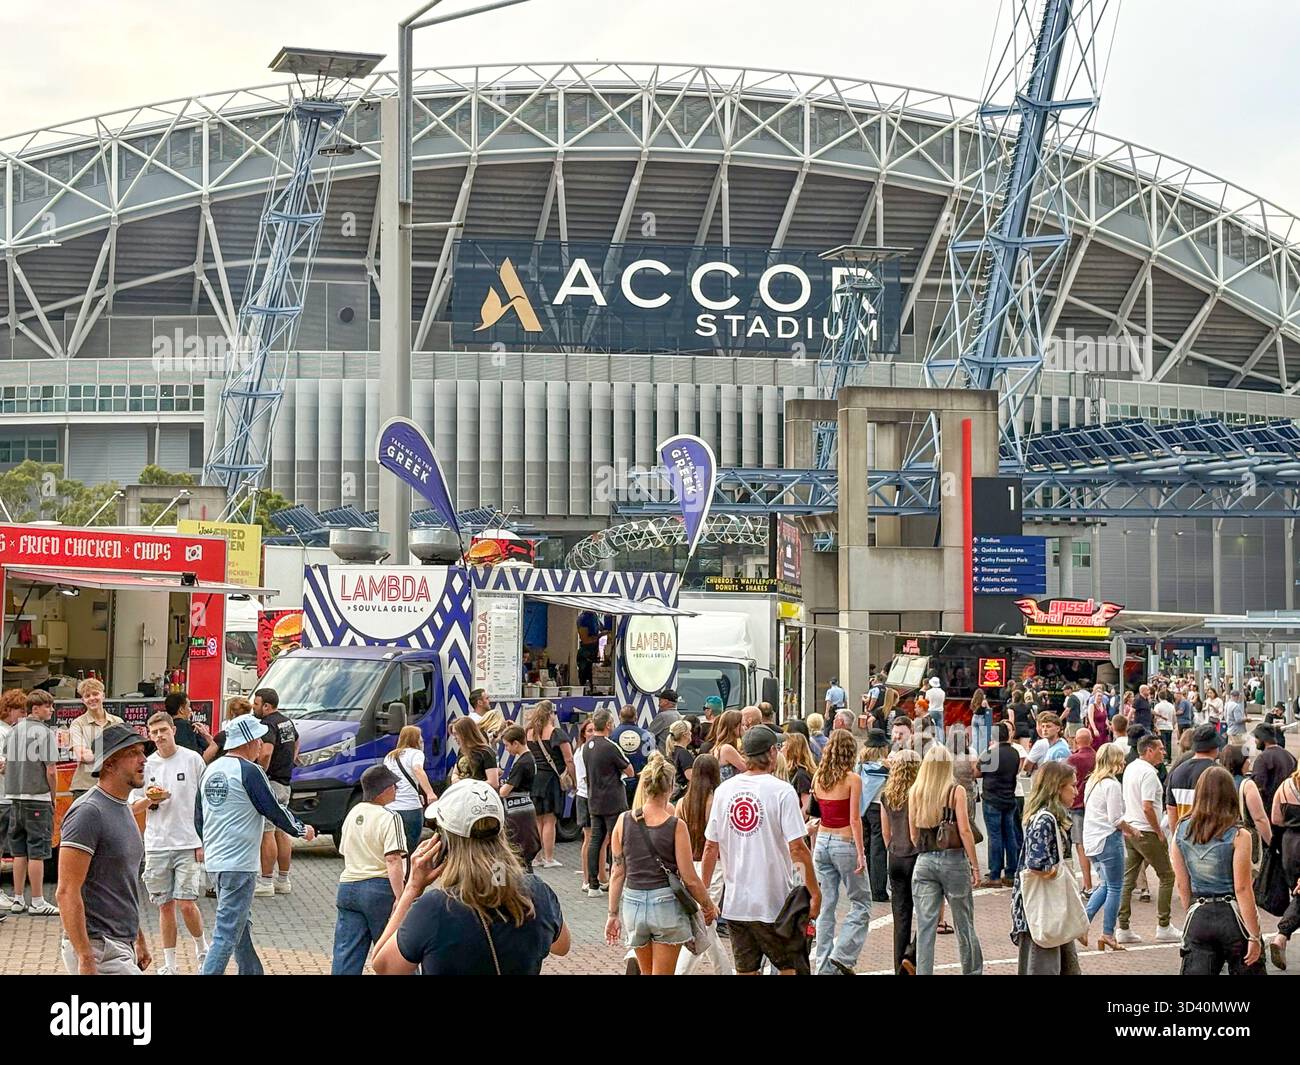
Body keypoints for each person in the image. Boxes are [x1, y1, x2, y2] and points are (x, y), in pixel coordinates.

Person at [371, 780, 571, 974]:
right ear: (501, 832)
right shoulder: (536, 892)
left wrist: (411, 889)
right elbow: (562, 946)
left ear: (445, 843)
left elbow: (383, 967)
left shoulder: (434, 908)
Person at [197, 713, 315, 974]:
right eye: (259, 739)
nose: (262, 744)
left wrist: (207, 845)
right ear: (249, 742)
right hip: (239, 863)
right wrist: (300, 828)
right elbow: (273, 808)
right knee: (227, 932)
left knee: (240, 923)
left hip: (216, 861)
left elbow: (199, 816)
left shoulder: (211, 770)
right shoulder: (250, 771)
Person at [701, 725, 821, 975]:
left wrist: (705, 895)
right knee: (791, 967)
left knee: (746, 970)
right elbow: (798, 848)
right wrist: (814, 891)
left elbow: (711, 846)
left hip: (736, 902)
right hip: (773, 901)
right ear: (771, 753)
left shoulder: (724, 791)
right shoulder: (782, 791)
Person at [605, 753, 716, 974]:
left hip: (633, 902)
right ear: (671, 787)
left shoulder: (623, 821)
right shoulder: (675, 826)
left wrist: (612, 914)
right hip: (665, 904)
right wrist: (708, 905)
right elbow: (689, 878)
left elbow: (618, 872)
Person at [55, 725, 151, 974]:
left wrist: (138, 938)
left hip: (121, 943)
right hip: (99, 947)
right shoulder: (89, 812)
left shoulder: (123, 807)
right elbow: (66, 891)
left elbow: (123, 884)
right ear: (109, 764)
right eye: (133, 753)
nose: (144, 759)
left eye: (143, 751)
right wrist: (85, 957)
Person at [128, 712, 208, 974]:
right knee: (164, 906)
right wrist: (151, 800)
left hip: (188, 841)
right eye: (154, 732)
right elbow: (134, 806)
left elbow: (204, 803)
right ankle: (170, 964)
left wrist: (203, 840)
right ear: (150, 736)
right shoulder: (147, 765)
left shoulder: (192, 759)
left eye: (163, 730)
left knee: (186, 903)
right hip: (156, 843)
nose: (160, 736)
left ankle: (202, 948)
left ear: (173, 730)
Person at [1172, 766, 1266, 974]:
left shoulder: (1181, 829)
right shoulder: (1239, 835)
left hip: (1199, 912)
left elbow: (1181, 882)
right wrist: (1254, 935)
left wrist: (1191, 910)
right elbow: (1242, 888)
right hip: (1231, 913)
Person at [909, 745, 983, 975]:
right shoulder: (955, 791)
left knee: (925, 926)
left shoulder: (916, 791)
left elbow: (913, 834)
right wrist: (975, 865)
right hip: (953, 860)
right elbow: (965, 831)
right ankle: (971, 971)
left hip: (924, 861)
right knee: (964, 923)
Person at [1009, 760, 1083, 975]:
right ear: (1057, 787)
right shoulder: (1045, 820)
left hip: (1050, 909)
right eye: (1072, 786)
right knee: (1044, 967)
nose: (1076, 791)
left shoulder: (1050, 817)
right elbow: (1036, 863)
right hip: (1043, 910)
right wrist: (1057, 874)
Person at [331, 765, 407, 974]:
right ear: (382, 790)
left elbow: (344, 850)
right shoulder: (390, 817)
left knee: (346, 953)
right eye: (393, 786)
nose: (396, 789)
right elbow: (392, 859)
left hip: (348, 886)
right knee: (395, 951)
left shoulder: (353, 812)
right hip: (378, 888)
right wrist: (401, 897)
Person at [809, 729, 868, 975]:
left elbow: (816, 814)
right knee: (861, 902)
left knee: (826, 907)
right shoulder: (852, 779)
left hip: (822, 841)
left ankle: (822, 966)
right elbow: (855, 819)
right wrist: (861, 852)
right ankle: (842, 954)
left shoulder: (818, 777)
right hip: (844, 841)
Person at [1116, 734, 1180, 944]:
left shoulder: (1131, 768)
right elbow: (1147, 806)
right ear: (1149, 750)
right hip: (1146, 831)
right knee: (1167, 876)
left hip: (1131, 828)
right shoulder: (1149, 774)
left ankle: (1122, 926)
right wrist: (1159, 831)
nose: (1163, 752)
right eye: (1160, 749)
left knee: (1129, 878)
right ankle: (1163, 924)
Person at [673, 755, 731, 975]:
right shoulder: (717, 801)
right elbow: (717, 841)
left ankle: (724, 970)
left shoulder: (682, 803)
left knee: (706, 925)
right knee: (703, 925)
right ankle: (681, 972)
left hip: (688, 866)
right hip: (713, 866)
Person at [5, 690, 59, 915]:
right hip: (37, 798)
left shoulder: (14, 731)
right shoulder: (44, 733)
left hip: (14, 797)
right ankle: (37, 900)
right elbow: (51, 770)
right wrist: (53, 797)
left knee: (19, 850)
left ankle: (18, 898)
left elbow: (7, 762)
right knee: (37, 850)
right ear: (35, 709)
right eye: (48, 706)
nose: (52, 710)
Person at [1082, 743, 1135, 952]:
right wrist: (1131, 830)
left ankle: (1083, 924)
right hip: (1108, 839)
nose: (1123, 762)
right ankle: (1107, 933)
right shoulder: (1112, 784)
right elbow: (1115, 819)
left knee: (1105, 885)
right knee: (1115, 887)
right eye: (1121, 758)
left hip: (1092, 839)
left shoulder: (1092, 782)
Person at [581, 708, 634, 897]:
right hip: (613, 800)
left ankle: (593, 884)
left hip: (594, 799)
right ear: (609, 725)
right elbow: (630, 770)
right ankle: (615, 881)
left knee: (595, 840)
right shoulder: (611, 746)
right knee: (616, 841)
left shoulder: (586, 747)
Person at [251, 688, 299, 897]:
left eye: (256, 704)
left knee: (267, 832)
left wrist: (260, 771)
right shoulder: (286, 721)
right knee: (282, 830)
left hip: (271, 783)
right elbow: (297, 740)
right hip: (285, 782)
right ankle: (283, 880)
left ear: (266, 706)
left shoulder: (267, 724)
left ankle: (266, 881)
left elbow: (266, 751)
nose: (254, 707)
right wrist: (290, 761)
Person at [879, 749, 922, 974]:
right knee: (927, 911)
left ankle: (899, 966)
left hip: (895, 855)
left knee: (901, 915)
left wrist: (892, 848)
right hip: (915, 855)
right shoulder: (918, 793)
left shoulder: (887, 794)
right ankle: (911, 954)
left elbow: (885, 833)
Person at [525, 699, 573, 868]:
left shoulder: (529, 732)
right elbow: (569, 759)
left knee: (537, 820)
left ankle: (536, 858)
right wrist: (573, 778)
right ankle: (549, 858)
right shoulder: (556, 733)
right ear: (550, 714)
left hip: (535, 779)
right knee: (549, 821)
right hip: (552, 780)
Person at [976, 723, 1022, 887]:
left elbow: (977, 772)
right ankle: (1011, 872)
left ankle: (994, 874)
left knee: (995, 836)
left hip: (992, 798)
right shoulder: (1015, 753)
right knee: (1010, 835)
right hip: (1009, 797)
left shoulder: (991, 754)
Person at [67, 677, 124, 801]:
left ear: (103, 695)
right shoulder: (78, 724)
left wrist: (94, 754)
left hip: (113, 786)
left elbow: (124, 753)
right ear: (83, 700)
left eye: (95, 694)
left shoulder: (118, 722)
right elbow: (82, 755)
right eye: (87, 696)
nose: (92, 698)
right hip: (85, 787)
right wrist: (112, 754)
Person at [1268, 763, 1300, 969]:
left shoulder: (1287, 785)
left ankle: (1282, 936)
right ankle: (1282, 935)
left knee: (1297, 894)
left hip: (1290, 846)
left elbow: (1275, 818)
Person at [497, 725, 542, 868]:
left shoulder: (522, 763)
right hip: (526, 807)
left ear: (516, 743)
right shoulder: (530, 758)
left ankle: (506, 883)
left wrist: (499, 786)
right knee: (525, 849)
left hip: (517, 811)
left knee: (516, 849)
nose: (506, 749)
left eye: (507, 745)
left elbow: (504, 791)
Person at [384, 726, 433, 854]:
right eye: (420, 738)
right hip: (410, 808)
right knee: (410, 848)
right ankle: (408, 872)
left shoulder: (389, 756)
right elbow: (417, 770)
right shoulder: (416, 754)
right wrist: (430, 792)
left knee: (394, 847)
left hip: (391, 808)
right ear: (415, 739)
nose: (422, 740)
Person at [1166, 724, 1224, 832]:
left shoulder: (1177, 772)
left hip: (1184, 835)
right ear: (1215, 747)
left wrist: (1176, 836)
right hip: (1210, 836)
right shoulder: (1219, 773)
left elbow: (1171, 808)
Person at [571, 719, 605, 891]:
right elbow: (584, 778)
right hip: (585, 797)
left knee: (602, 839)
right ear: (583, 734)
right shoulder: (581, 752)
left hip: (597, 796)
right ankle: (586, 878)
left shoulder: (597, 750)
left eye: (593, 730)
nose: (592, 733)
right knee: (589, 838)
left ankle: (601, 876)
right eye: (588, 730)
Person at [0, 688, 26, 909]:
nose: (23, 715)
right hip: (3, 796)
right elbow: (2, 764)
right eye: (20, 710)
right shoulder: (4, 733)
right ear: (9, 710)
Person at [857, 729, 891, 902]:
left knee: (867, 848)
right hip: (879, 809)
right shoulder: (885, 766)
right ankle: (879, 890)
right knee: (878, 850)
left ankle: (868, 886)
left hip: (863, 809)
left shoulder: (861, 764)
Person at [1066, 728, 1096, 894]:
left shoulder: (1073, 759)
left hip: (1077, 806)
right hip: (1094, 805)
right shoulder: (1097, 756)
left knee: (1080, 845)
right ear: (1090, 740)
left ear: (1076, 741)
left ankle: (1088, 884)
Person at [612, 704, 654, 802]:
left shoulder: (612, 736)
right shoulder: (647, 736)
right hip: (640, 783)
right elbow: (652, 759)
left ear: (619, 716)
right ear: (636, 717)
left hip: (618, 783)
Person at [1252, 724, 1297, 813]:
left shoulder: (1262, 758)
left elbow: (1258, 787)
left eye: (1256, 738)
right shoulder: (1289, 755)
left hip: (1270, 809)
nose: (1255, 741)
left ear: (1262, 739)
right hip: (1289, 808)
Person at [454, 714, 501, 789]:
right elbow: (455, 772)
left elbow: (493, 783)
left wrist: (469, 785)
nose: (455, 738)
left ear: (466, 734)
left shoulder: (486, 752)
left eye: (456, 734)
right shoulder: (461, 750)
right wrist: (456, 780)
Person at [709, 709, 747, 782]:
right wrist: (745, 738)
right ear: (734, 727)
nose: (745, 728)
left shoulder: (720, 747)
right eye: (742, 725)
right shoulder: (726, 748)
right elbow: (747, 768)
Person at [646, 689, 683, 755]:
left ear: (666, 701)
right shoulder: (679, 716)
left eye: (660, 700)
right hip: (674, 755)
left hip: (663, 756)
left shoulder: (663, 716)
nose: (658, 703)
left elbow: (648, 734)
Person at [666, 719, 694, 801]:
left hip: (672, 793)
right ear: (685, 735)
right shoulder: (684, 754)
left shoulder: (671, 751)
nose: (691, 733)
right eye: (689, 731)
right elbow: (690, 776)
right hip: (682, 796)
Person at [1154, 688, 1177, 758]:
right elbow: (1174, 717)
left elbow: (1155, 716)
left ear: (1159, 697)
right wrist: (1173, 724)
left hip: (1160, 726)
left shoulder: (1157, 706)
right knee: (1168, 742)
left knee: (1162, 743)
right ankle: (1169, 757)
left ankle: (1164, 757)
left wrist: (1155, 726)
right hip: (1169, 726)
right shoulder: (1171, 706)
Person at [924, 676, 946, 742]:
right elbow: (943, 700)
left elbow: (926, 700)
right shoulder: (943, 692)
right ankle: (941, 742)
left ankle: (932, 741)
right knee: (940, 728)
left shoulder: (928, 692)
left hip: (931, 710)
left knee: (931, 727)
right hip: (940, 711)